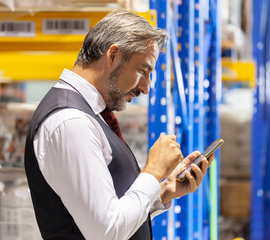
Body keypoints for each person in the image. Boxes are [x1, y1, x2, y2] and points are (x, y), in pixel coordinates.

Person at [24, 10, 214, 240]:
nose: (146, 87)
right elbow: (107, 232)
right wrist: (152, 173)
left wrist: (162, 192)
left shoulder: (89, 115)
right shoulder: (70, 122)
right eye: (143, 70)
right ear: (113, 55)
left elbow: (108, 215)